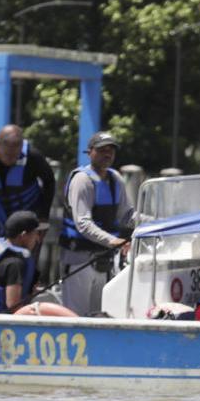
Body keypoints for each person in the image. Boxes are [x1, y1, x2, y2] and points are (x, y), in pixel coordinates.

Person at [57, 131, 135, 317]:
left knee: (100, 316)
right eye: (102, 150)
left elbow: (127, 215)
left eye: (111, 151)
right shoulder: (82, 180)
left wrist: (153, 222)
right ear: (90, 152)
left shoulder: (116, 178)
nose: (107, 154)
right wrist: (113, 242)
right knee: (76, 317)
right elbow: (83, 223)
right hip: (79, 261)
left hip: (105, 260)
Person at [0, 211, 71, 316]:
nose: (38, 239)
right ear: (23, 235)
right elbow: (13, 306)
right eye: (35, 234)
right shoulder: (14, 264)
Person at [0, 123, 55, 243]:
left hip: (28, 215)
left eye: (15, 156)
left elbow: (49, 182)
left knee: (26, 258)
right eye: (7, 155)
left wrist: (44, 216)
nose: (11, 160)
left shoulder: (33, 157)